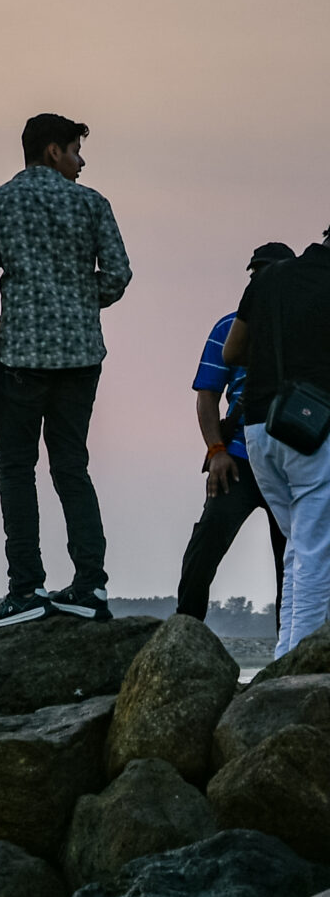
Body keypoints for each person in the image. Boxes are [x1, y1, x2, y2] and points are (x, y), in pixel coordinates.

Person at [0, 113, 132, 626]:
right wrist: (82, 300)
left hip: (22, 359)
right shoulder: (92, 204)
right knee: (71, 468)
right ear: (54, 150)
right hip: (81, 359)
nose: (82, 163)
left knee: (16, 471)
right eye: (77, 151)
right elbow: (120, 274)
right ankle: (90, 585)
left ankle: (27, 588)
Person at [175, 243, 297, 625]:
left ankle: (288, 649)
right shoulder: (228, 327)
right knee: (206, 543)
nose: (261, 279)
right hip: (238, 459)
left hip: (293, 460)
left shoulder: (306, 325)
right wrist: (216, 452)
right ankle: (185, 629)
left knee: (291, 560)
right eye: (256, 273)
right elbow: (207, 395)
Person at [225, 227, 330, 655]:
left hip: (258, 430)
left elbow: (232, 352)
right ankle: (296, 665)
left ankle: (279, 662)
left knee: (298, 550)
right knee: (316, 552)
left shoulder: (268, 279)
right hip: (311, 431)